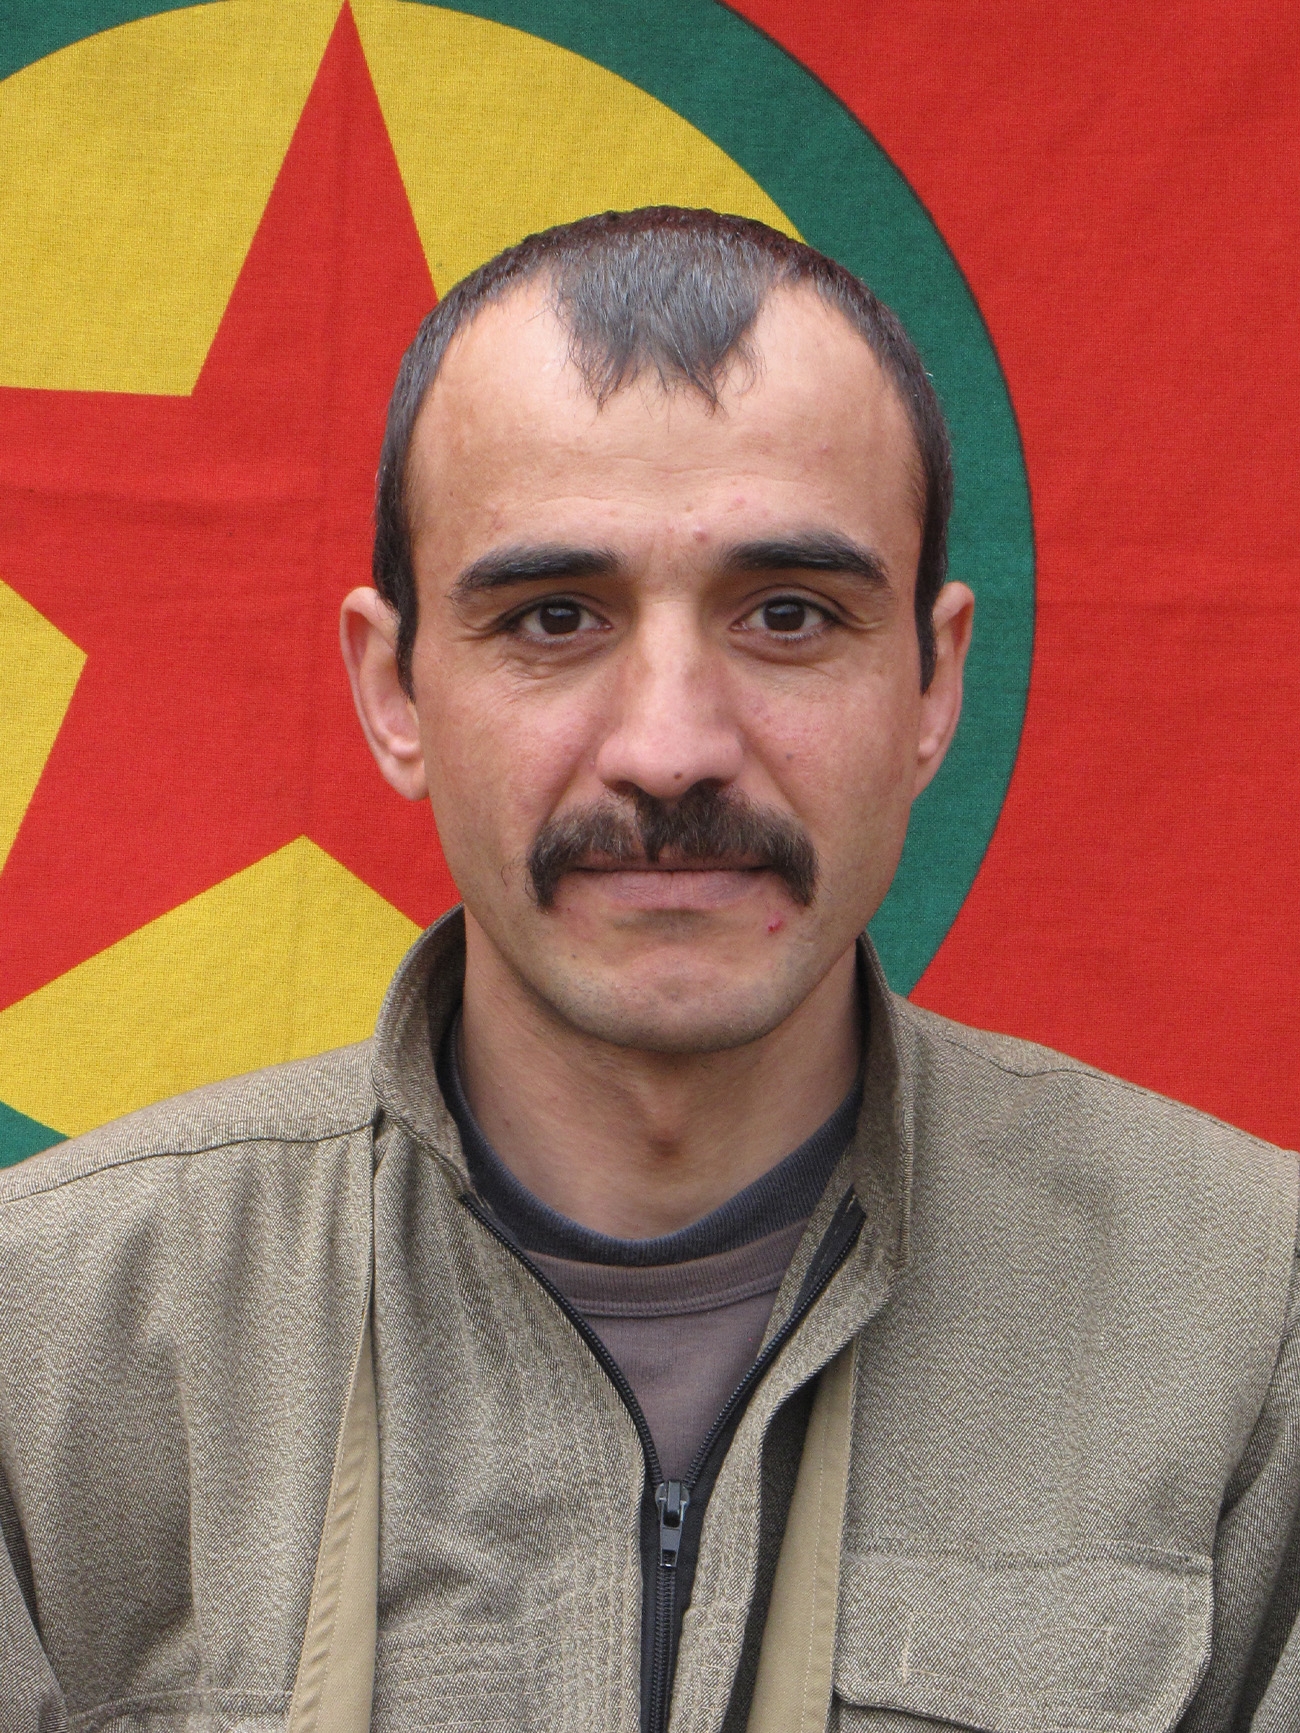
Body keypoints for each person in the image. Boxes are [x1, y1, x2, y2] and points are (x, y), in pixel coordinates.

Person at [0, 208, 1296, 1733]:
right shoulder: (47, 1344)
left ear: (932, 683)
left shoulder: (1250, 1327)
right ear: (394, 688)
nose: (671, 747)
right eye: (554, 618)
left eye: (789, 616)